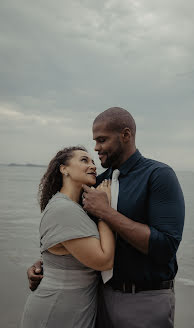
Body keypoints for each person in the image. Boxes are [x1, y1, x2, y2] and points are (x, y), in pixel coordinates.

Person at [27, 107, 185, 328]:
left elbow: (166, 245)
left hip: (144, 299)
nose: (96, 148)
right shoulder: (96, 184)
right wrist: (47, 265)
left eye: (102, 140)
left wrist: (106, 212)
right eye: (94, 141)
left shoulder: (158, 176)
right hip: (97, 300)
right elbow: (71, 233)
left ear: (126, 135)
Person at [21, 146, 115, 328]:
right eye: (84, 160)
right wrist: (105, 210)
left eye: (93, 162)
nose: (93, 166)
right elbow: (104, 261)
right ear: (64, 169)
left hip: (74, 306)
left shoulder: (72, 207)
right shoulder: (64, 209)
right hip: (57, 309)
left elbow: (62, 254)